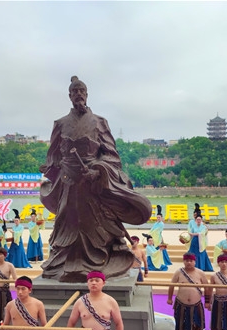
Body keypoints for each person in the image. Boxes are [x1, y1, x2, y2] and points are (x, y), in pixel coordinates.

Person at [39, 76, 152, 282]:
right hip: (68, 183)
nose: (78, 94)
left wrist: (98, 170)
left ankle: (101, 261)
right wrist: (54, 165)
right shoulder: (60, 123)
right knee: (68, 221)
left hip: (91, 183)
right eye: (75, 91)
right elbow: (53, 154)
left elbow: (111, 155)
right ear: (69, 96)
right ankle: (67, 264)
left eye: (82, 91)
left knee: (95, 223)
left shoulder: (100, 122)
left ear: (87, 94)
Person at [167, 253, 210, 330]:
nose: (189, 262)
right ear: (184, 261)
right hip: (181, 304)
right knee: (181, 326)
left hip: (196, 305)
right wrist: (169, 298)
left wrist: (207, 301)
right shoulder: (179, 272)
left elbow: (207, 287)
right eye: (187, 260)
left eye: (191, 261)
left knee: (198, 326)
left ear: (195, 262)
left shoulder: (200, 273)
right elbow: (171, 285)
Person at [187, 204, 213, 272]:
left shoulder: (203, 226)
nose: (198, 220)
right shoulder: (192, 223)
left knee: (201, 253)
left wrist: (194, 234)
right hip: (194, 241)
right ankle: (191, 266)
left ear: (201, 220)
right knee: (193, 253)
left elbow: (202, 233)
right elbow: (190, 231)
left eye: (199, 219)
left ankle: (201, 266)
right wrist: (189, 236)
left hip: (200, 241)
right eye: (197, 219)